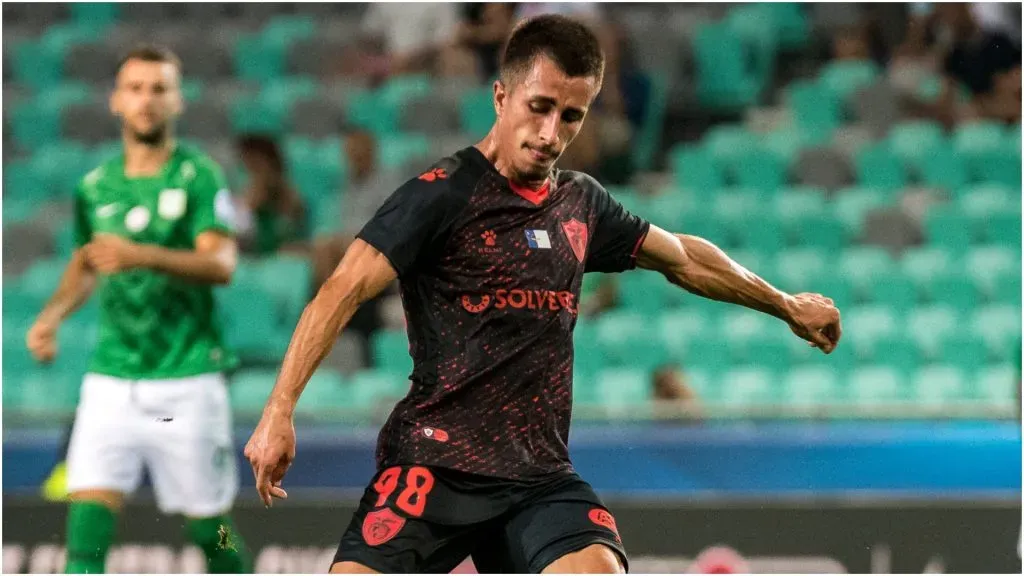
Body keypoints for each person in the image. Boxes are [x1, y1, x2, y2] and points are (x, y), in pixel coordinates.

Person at [245, 15, 841, 574]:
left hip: (538, 478)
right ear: (501, 97)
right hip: (434, 467)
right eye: (540, 107)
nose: (553, 133)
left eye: (572, 116)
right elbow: (340, 291)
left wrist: (784, 304)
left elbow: (682, 257)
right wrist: (279, 410)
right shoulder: (441, 196)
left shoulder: (581, 203)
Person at [25, 45, 251, 574]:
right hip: (111, 380)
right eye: (135, 88)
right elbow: (88, 262)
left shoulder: (199, 176)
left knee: (211, 530)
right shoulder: (95, 186)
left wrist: (139, 254)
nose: (146, 100)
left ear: (178, 102)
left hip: (188, 378)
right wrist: (50, 318)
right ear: (115, 102)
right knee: (85, 526)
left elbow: (221, 263)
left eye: (159, 89)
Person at [234, 134, 308, 256]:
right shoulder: (243, 192)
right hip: (252, 256)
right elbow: (237, 233)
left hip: (283, 255)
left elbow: (294, 225)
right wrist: (248, 208)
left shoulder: (288, 193)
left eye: (258, 164)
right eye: (251, 164)